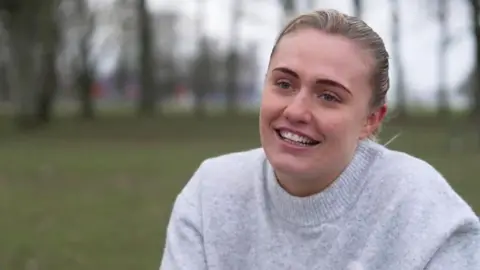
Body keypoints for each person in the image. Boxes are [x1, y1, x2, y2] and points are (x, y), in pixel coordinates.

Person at [160, 9, 480, 270]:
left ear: (370, 120)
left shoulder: (422, 210)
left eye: (328, 96)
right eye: (284, 84)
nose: (296, 111)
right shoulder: (210, 193)